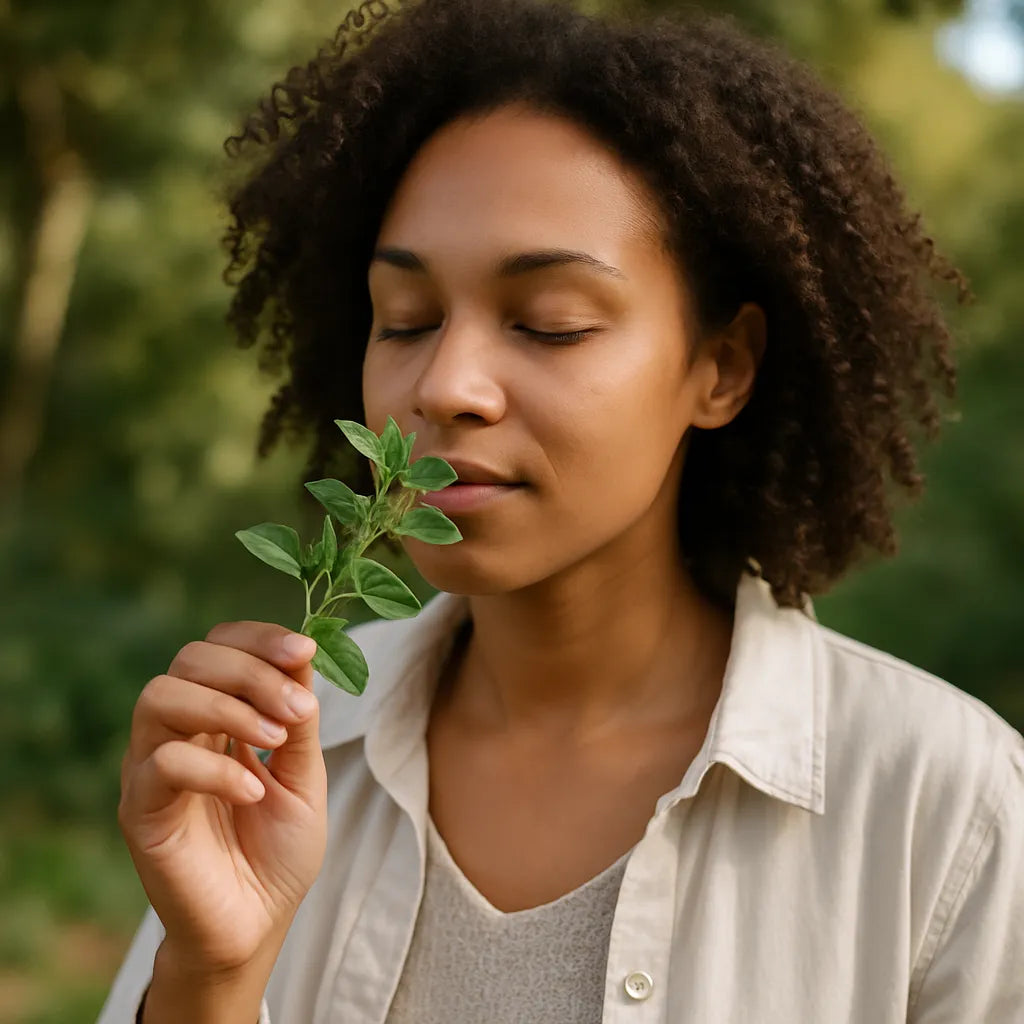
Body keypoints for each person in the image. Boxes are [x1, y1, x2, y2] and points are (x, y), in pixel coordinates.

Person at [97, 0, 1024, 1021]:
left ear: (720, 368)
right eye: (405, 320)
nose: (447, 383)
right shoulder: (275, 757)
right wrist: (211, 978)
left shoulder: (945, 805)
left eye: (549, 325)